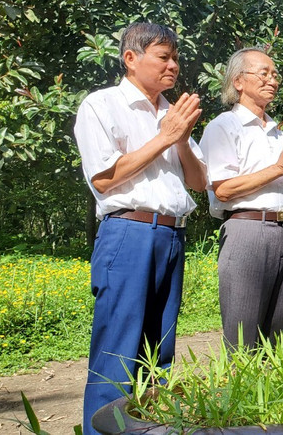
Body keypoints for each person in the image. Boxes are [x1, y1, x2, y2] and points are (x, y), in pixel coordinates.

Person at [73, 22, 206, 434]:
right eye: (163, 57)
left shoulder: (173, 113)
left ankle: (151, 430)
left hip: (172, 235)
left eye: (175, 58)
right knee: (117, 350)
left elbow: (199, 183)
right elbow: (104, 178)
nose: (173, 66)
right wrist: (165, 138)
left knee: (158, 354)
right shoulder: (102, 105)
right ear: (131, 59)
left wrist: (181, 138)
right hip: (128, 233)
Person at [199, 47, 283, 350]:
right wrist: (280, 167)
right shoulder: (224, 126)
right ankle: (236, 395)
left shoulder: (277, 133)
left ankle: (270, 394)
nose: (272, 81)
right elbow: (222, 189)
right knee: (242, 331)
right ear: (239, 81)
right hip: (247, 230)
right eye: (264, 73)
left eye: (275, 75)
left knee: (276, 333)